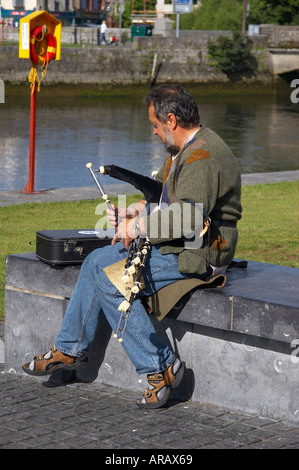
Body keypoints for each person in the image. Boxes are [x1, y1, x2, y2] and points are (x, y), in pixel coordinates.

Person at [22, 84, 242, 409]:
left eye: (155, 125)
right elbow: (169, 200)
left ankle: (161, 367)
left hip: (201, 252)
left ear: (171, 120)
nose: (153, 132)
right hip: (182, 243)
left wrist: (136, 227)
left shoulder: (203, 155)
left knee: (113, 280)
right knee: (98, 261)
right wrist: (136, 211)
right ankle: (69, 349)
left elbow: (190, 220)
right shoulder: (187, 149)